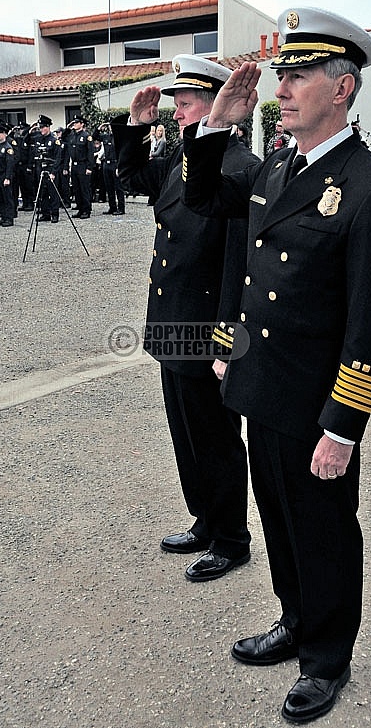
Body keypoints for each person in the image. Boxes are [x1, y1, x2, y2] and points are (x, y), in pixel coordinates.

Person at [180, 8, 371, 721]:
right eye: (282, 75)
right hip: (265, 388)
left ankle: (326, 657)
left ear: (342, 88)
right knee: (278, 520)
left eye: (300, 75)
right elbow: (203, 201)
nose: (283, 87)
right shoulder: (278, 165)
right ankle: (294, 618)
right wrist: (216, 124)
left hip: (316, 405)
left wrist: (342, 428)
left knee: (323, 530)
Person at [112, 55, 261, 582]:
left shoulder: (241, 170)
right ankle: (205, 519)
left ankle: (231, 539)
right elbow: (129, 176)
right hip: (174, 326)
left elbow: (236, 268)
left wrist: (224, 344)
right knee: (186, 434)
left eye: (187, 101)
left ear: (222, 104)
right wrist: (136, 125)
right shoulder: (183, 161)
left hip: (207, 332)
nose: (177, 111)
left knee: (216, 439)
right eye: (175, 103)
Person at [34, 114, 62, 223]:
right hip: (41, 169)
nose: (41, 129)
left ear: (48, 127)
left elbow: (58, 158)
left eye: (42, 127)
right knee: (42, 193)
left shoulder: (54, 141)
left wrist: (54, 172)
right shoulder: (38, 139)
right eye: (40, 127)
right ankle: (45, 213)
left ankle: (54, 214)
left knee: (53, 193)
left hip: (51, 170)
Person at [68, 116, 95, 219]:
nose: (74, 124)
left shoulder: (86, 136)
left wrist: (89, 167)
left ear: (82, 124)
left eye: (77, 123)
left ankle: (86, 210)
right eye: (74, 123)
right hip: (74, 165)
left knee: (84, 188)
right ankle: (80, 209)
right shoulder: (72, 135)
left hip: (83, 165)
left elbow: (90, 153)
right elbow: (64, 136)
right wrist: (69, 127)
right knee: (77, 189)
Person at [96, 123, 125, 216]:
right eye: (110, 127)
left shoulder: (119, 138)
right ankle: (112, 207)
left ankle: (121, 208)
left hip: (115, 163)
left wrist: (119, 167)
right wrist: (100, 128)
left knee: (118, 188)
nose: (111, 129)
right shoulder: (106, 137)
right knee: (109, 187)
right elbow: (94, 136)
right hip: (106, 163)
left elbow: (122, 154)